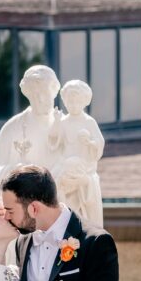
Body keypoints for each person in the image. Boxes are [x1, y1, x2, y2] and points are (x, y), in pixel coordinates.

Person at [0, 65, 63, 197]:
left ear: (54, 91)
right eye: (35, 95)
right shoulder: (13, 127)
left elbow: (83, 167)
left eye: (45, 93)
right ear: (28, 95)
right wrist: (15, 170)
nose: (41, 99)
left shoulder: (64, 125)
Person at [49, 79, 105, 228]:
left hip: (83, 169)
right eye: (70, 102)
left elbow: (99, 145)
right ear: (65, 102)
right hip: (65, 168)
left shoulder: (89, 122)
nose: (73, 105)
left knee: (84, 209)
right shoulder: (63, 122)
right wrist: (55, 121)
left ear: (84, 102)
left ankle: (82, 227)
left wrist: (89, 143)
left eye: (77, 102)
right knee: (55, 188)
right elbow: (54, 141)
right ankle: (64, 222)